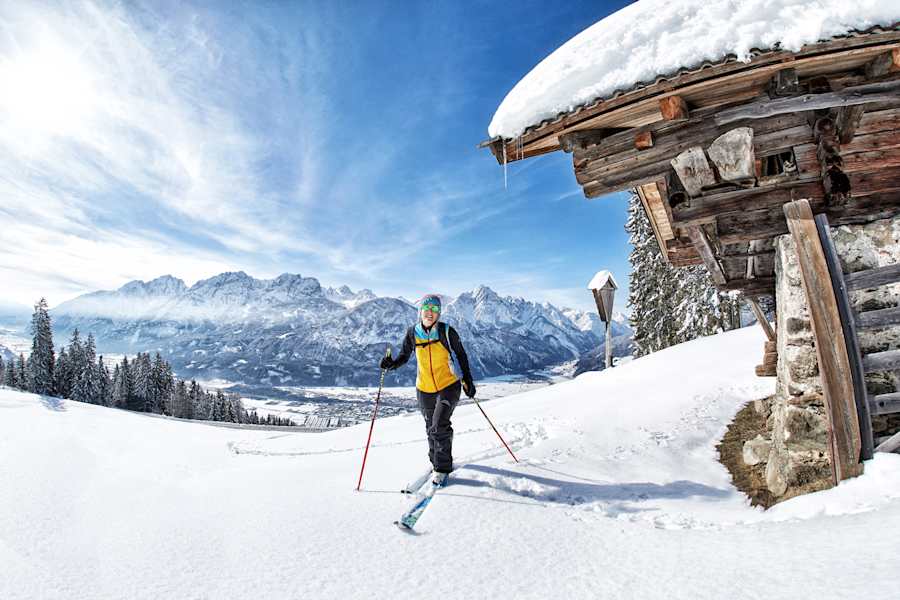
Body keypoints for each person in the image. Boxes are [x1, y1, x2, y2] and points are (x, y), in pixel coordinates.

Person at [380, 294, 475, 487]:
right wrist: (391, 365)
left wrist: (468, 380)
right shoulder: (413, 333)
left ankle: (442, 469)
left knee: (439, 424)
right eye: (427, 309)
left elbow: (461, 356)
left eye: (435, 310)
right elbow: (404, 356)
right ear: (421, 311)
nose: (430, 313)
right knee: (430, 427)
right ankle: (435, 462)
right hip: (424, 388)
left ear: (439, 313)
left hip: (448, 385)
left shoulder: (447, 332)